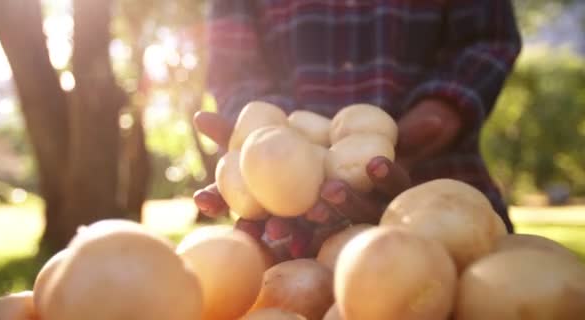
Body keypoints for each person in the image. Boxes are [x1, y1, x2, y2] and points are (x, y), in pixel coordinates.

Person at [193, 0, 522, 259]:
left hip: (446, 200)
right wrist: (266, 156)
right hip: (291, 238)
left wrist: (440, 112)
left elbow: (488, 37)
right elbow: (234, 68)